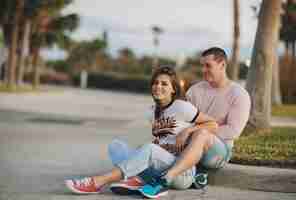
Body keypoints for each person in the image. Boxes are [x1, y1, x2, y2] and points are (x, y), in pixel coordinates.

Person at [112, 47, 251, 195]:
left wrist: (192, 132)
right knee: (139, 149)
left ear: (222, 65)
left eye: (208, 66)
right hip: (189, 148)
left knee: (202, 134)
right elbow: (180, 119)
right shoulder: (195, 90)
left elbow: (233, 131)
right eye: (202, 65)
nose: (203, 70)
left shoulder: (239, 94)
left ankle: (164, 179)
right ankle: (145, 177)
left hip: (218, 151)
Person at [65, 66, 218, 198]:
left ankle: (97, 182)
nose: (158, 86)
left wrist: (189, 131)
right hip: (160, 165)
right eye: (156, 83)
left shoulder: (181, 107)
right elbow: (162, 140)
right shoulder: (152, 112)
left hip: (181, 172)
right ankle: (140, 180)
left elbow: (212, 123)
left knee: (149, 149)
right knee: (116, 146)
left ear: (173, 89)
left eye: (164, 84)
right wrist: (144, 151)